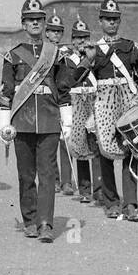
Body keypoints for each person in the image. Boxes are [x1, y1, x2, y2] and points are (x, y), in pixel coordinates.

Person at [74, 0, 138, 221]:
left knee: (132, 150)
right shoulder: (94, 49)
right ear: (100, 21)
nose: (112, 23)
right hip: (105, 101)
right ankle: (111, 203)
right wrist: (87, 59)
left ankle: (131, 204)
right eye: (107, 19)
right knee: (106, 151)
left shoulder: (129, 46)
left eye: (115, 19)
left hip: (128, 100)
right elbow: (76, 78)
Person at [0, 0, 65, 241]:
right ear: (23, 24)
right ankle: (30, 220)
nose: (35, 23)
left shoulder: (55, 54)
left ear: (45, 23)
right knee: (26, 175)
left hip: (49, 120)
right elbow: (6, 93)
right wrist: (4, 124)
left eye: (39, 19)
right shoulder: (13, 55)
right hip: (22, 122)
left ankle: (46, 223)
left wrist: (66, 121)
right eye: (30, 20)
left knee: (47, 174)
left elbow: (64, 90)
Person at [56, 17, 97, 203]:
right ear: (72, 40)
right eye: (78, 38)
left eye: (85, 37)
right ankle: (85, 189)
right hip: (75, 102)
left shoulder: (95, 56)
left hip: (94, 101)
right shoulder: (66, 58)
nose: (82, 41)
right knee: (79, 145)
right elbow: (67, 82)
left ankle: (100, 189)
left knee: (97, 145)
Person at [45, 12, 76, 197]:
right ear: (46, 33)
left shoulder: (67, 53)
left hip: (64, 100)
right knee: (49, 143)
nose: (56, 34)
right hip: (47, 101)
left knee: (66, 141)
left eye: (59, 31)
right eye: (52, 31)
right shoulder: (42, 52)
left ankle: (66, 182)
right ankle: (54, 179)